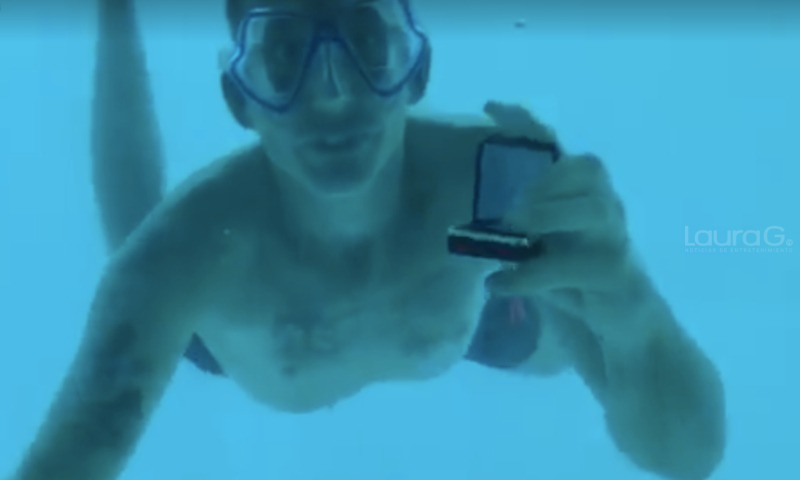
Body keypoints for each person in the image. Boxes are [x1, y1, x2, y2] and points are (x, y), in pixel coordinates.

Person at [11, 0, 726, 479]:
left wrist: (633, 304)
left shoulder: (487, 189)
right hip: (234, 330)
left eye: (364, 40)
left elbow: (686, 457)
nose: (330, 93)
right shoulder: (186, 256)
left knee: (562, 326)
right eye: (284, 54)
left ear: (416, 68)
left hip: (470, 306)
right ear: (238, 96)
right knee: (137, 244)